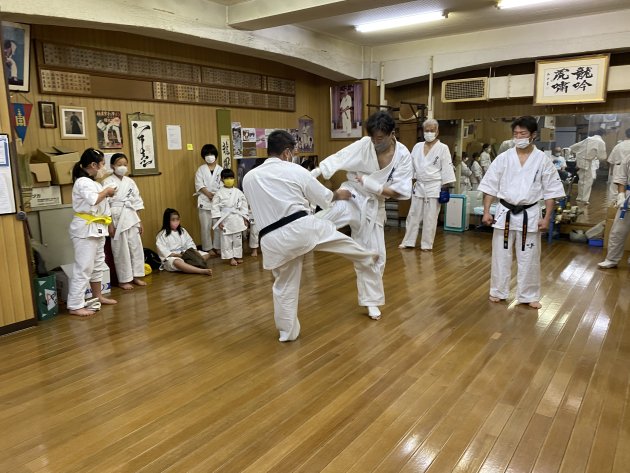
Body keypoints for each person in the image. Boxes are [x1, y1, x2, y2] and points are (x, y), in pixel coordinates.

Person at [243, 130, 384, 342]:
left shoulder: (249, 177)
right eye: (293, 153)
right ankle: (365, 256)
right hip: (299, 228)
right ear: (287, 152)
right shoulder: (295, 170)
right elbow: (324, 198)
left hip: (270, 241)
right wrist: (339, 194)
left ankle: (287, 333)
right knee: (331, 233)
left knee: (283, 286)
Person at [312, 110, 413, 296]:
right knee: (322, 221)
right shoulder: (365, 143)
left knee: (378, 256)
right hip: (351, 193)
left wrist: (375, 186)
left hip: (374, 204)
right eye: (372, 137)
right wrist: (316, 172)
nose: (375, 142)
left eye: (379, 138)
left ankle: (371, 300)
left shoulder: (403, 156)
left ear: (392, 134)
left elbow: (401, 192)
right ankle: (295, 234)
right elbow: (340, 156)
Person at [479, 116, 565, 309]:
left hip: (530, 213)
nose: (518, 137)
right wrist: (486, 212)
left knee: (529, 257)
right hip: (505, 212)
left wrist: (547, 217)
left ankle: (529, 295)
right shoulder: (503, 158)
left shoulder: (542, 160)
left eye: (523, 133)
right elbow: (490, 186)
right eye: (516, 133)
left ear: (533, 135)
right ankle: (498, 291)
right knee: (500, 256)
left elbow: (551, 192)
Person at [66, 148, 118, 317]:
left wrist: (106, 194)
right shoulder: (82, 182)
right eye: (102, 163)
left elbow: (101, 203)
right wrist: (107, 192)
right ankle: (75, 305)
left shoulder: (95, 183)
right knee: (84, 267)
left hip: (98, 227)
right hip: (85, 229)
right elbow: (94, 199)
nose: (104, 167)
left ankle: (98, 296)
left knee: (98, 264)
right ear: (94, 165)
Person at [399, 118, 455, 251]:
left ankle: (427, 244)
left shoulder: (443, 148)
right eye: (426, 130)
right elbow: (411, 165)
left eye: (432, 130)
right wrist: (407, 181)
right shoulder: (417, 147)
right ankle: (408, 241)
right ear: (423, 131)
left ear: (437, 131)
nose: (429, 133)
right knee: (413, 214)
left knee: (430, 217)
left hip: (434, 186)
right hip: (419, 185)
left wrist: (445, 188)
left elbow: (447, 169)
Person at [102, 153, 146, 290]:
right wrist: (110, 225)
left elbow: (137, 201)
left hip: (131, 215)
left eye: (125, 165)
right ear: (112, 166)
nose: (122, 167)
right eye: (119, 164)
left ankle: (137, 276)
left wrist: (139, 221)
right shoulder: (107, 181)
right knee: (121, 250)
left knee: (136, 247)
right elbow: (105, 204)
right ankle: (124, 279)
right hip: (116, 216)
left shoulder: (130, 182)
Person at [156, 208, 213, 275]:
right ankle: (200, 270)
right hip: (173, 257)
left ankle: (189, 266)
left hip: (186, 254)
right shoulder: (161, 235)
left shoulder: (182, 230)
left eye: (177, 219)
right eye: (173, 220)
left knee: (207, 254)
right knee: (177, 262)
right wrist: (179, 255)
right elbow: (164, 252)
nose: (176, 222)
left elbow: (190, 243)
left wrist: (194, 253)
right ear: (167, 221)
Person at [597, 151, 630, 269]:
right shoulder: (628, 158)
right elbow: (621, 179)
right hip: (628, 199)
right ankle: (611, 259)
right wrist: (621, 195)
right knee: (618, 231)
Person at [211, 168, 249, 266]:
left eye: (231, 178)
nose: (229, 180)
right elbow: (215, 208)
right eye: (226, 178)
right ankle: (230, 258)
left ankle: (237, 255)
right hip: (225, 218)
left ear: (234, 179)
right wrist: (218, 221)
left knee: (237, 239)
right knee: (226, 240)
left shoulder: (238, 192)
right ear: (222, 179)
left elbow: (244, 206)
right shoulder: (219, 193)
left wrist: (245, 218)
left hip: (237, 218)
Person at [195, 144, 223, 256]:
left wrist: (215, 196)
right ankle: (208, 248)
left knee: (217, 226)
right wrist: (208, 194)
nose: (209, 156)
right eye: (207, 154)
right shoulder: (201, 170)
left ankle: (218, 247)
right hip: (204, 201)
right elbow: (199, 184)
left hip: (217, 201)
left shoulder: (220, 169)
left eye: (211, 154)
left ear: (215, 155)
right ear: (203, 156)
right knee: (205, 227)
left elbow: (223, 185)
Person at [569, 129, 607, 204]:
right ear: (604, 134)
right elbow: (602, 157)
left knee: (582, 180)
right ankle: (583, 199)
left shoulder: (588, 139)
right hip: (587, 161)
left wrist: (577, 153)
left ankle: (580, 197)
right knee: (587, 181)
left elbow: (573, 147)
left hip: (580, 160)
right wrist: (596, 156)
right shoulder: (600, 142)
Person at [606, 128, 630, 202]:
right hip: (627, 169)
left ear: (626, 135)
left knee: (615, 192)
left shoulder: (619, 146)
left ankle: (614, 205)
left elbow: (610, 160)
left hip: (618, 169)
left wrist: (611, 171)